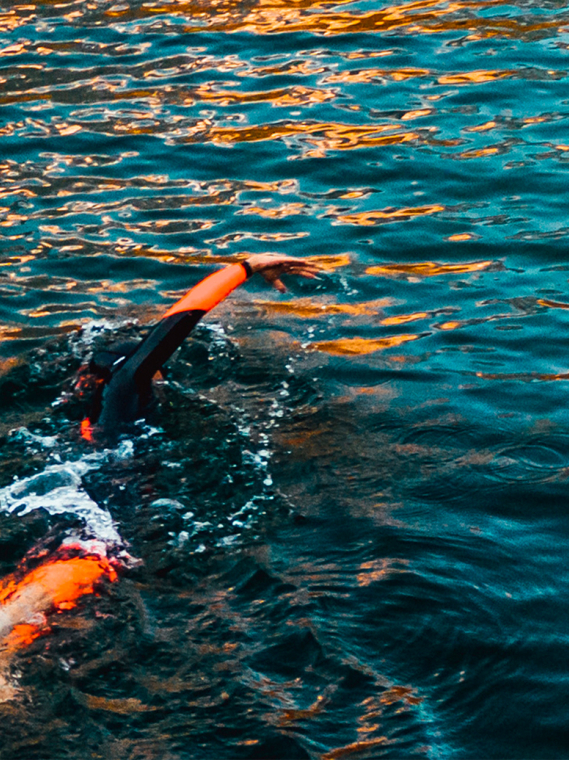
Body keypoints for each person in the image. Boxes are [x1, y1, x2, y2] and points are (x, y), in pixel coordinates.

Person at [0, 254, 320, 664]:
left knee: (40, 587)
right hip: (103, 517)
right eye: (154, 368)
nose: (161, 373)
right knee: (74, 574)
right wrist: (245, 267)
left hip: (73, 504)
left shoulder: (92, 409)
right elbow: (174, 326)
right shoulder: (124, 389)